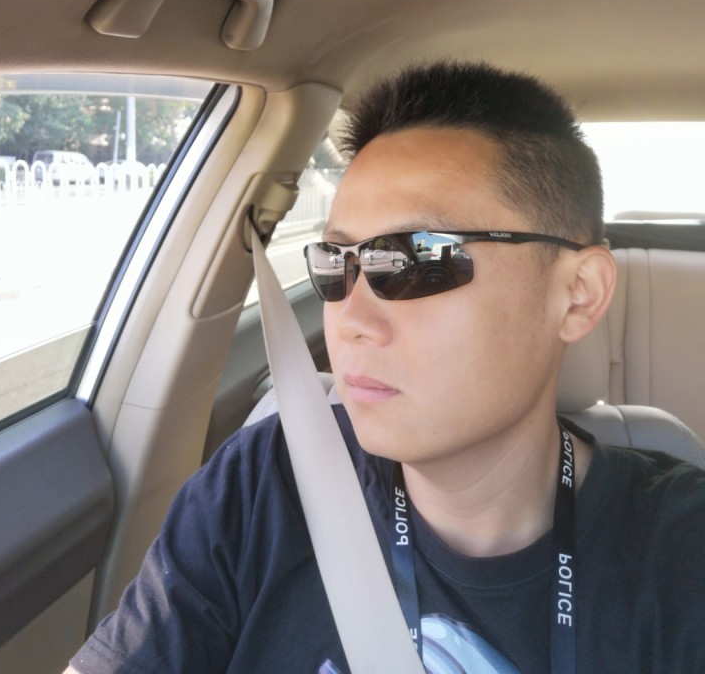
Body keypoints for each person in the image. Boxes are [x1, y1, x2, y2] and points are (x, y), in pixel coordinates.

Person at [65, 62, 705, 674]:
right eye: (335, 262)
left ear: (579, 294)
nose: (350, 320)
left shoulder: (680, 552)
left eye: (417, 260)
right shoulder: (266, 486)